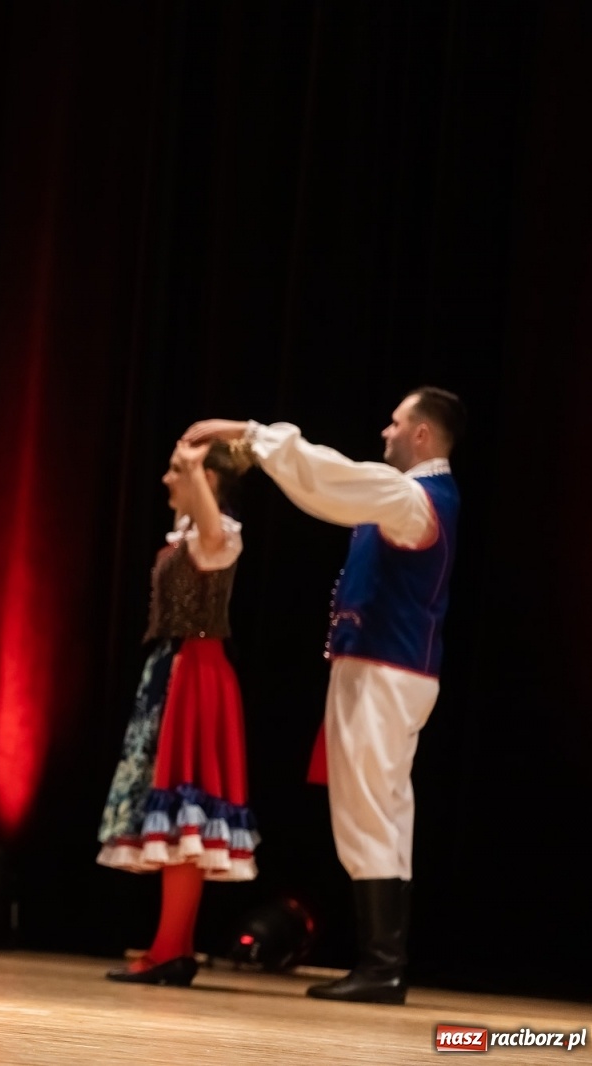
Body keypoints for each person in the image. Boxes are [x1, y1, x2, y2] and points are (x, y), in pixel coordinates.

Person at [184, 386, 464, 1005]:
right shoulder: (413, 498)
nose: (385, 433)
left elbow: (331, 481)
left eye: (396, 423)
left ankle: (384, 966)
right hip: (385, 668)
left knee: (371, 810)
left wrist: (251, 432)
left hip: (387, 670)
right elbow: (335, 487)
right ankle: (382, 963)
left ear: (422, 435)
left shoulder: (414, 496)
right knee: (381, 810)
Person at [97, 438, 258, 987]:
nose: (167, 480)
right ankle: (174, 947)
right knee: (173, 823)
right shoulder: (187, 537)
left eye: (178, 471)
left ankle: (171, 950)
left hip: (198, 671)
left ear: (208, 481)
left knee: (185, 817)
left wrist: (197, 468)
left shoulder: (218, 535)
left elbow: (214, 535)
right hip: (175, 668)